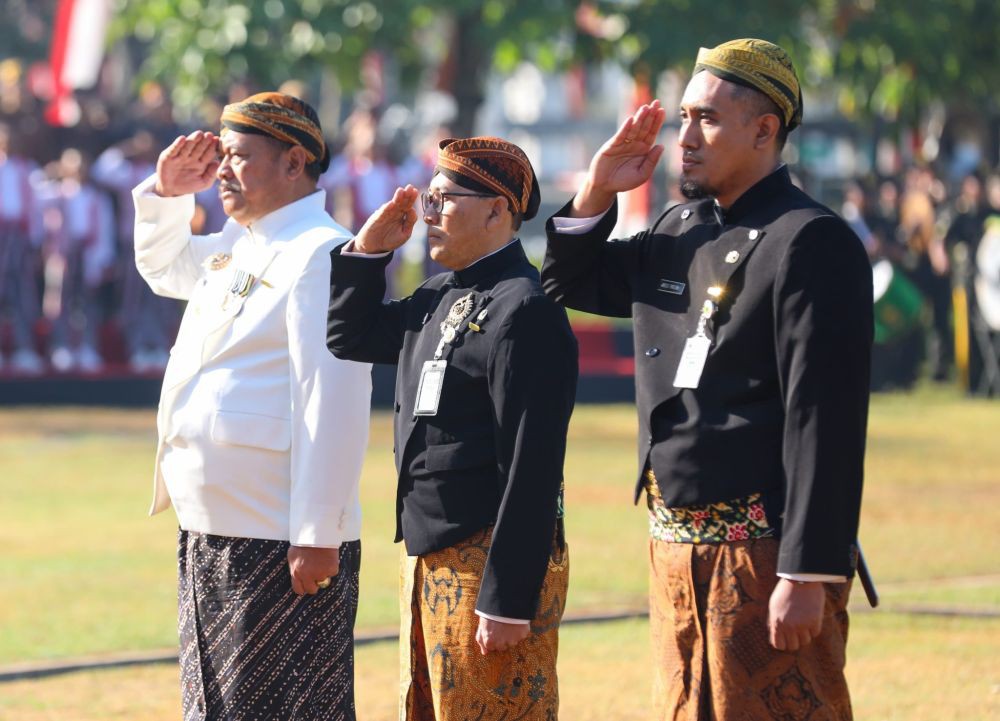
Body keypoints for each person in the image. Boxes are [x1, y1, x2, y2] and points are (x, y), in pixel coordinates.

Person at [542, 39, 872, 720]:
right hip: (673, 549)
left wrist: (807, 573)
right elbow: (568, 279)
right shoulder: (679, 227)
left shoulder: (810, 239)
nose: (685, 137)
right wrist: (599, 186)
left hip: (763, 554)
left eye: (708, 120)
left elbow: (825, 420)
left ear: (764, 129)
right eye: (684, 117)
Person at [133, 92, 372, 721]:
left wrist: (318, 532)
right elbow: (164, 269)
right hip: (216, 525)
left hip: (278, 535)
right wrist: (165, 193)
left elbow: (334, 398)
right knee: (219, 705)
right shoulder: (244, 241)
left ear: (294, 162)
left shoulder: (323, 251)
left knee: (282, 707)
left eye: (238, 156)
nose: (222, 172)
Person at [327, 137, 578, 720]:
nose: (428, 213)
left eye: (445, 198)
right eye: (429, 197)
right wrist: (368, 252)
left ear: (497, 210)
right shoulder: (438, 294)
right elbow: (349, 336)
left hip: (487, 558)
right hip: (427, 556)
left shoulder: (526, 308)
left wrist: (509, 597)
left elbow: (532, 466)